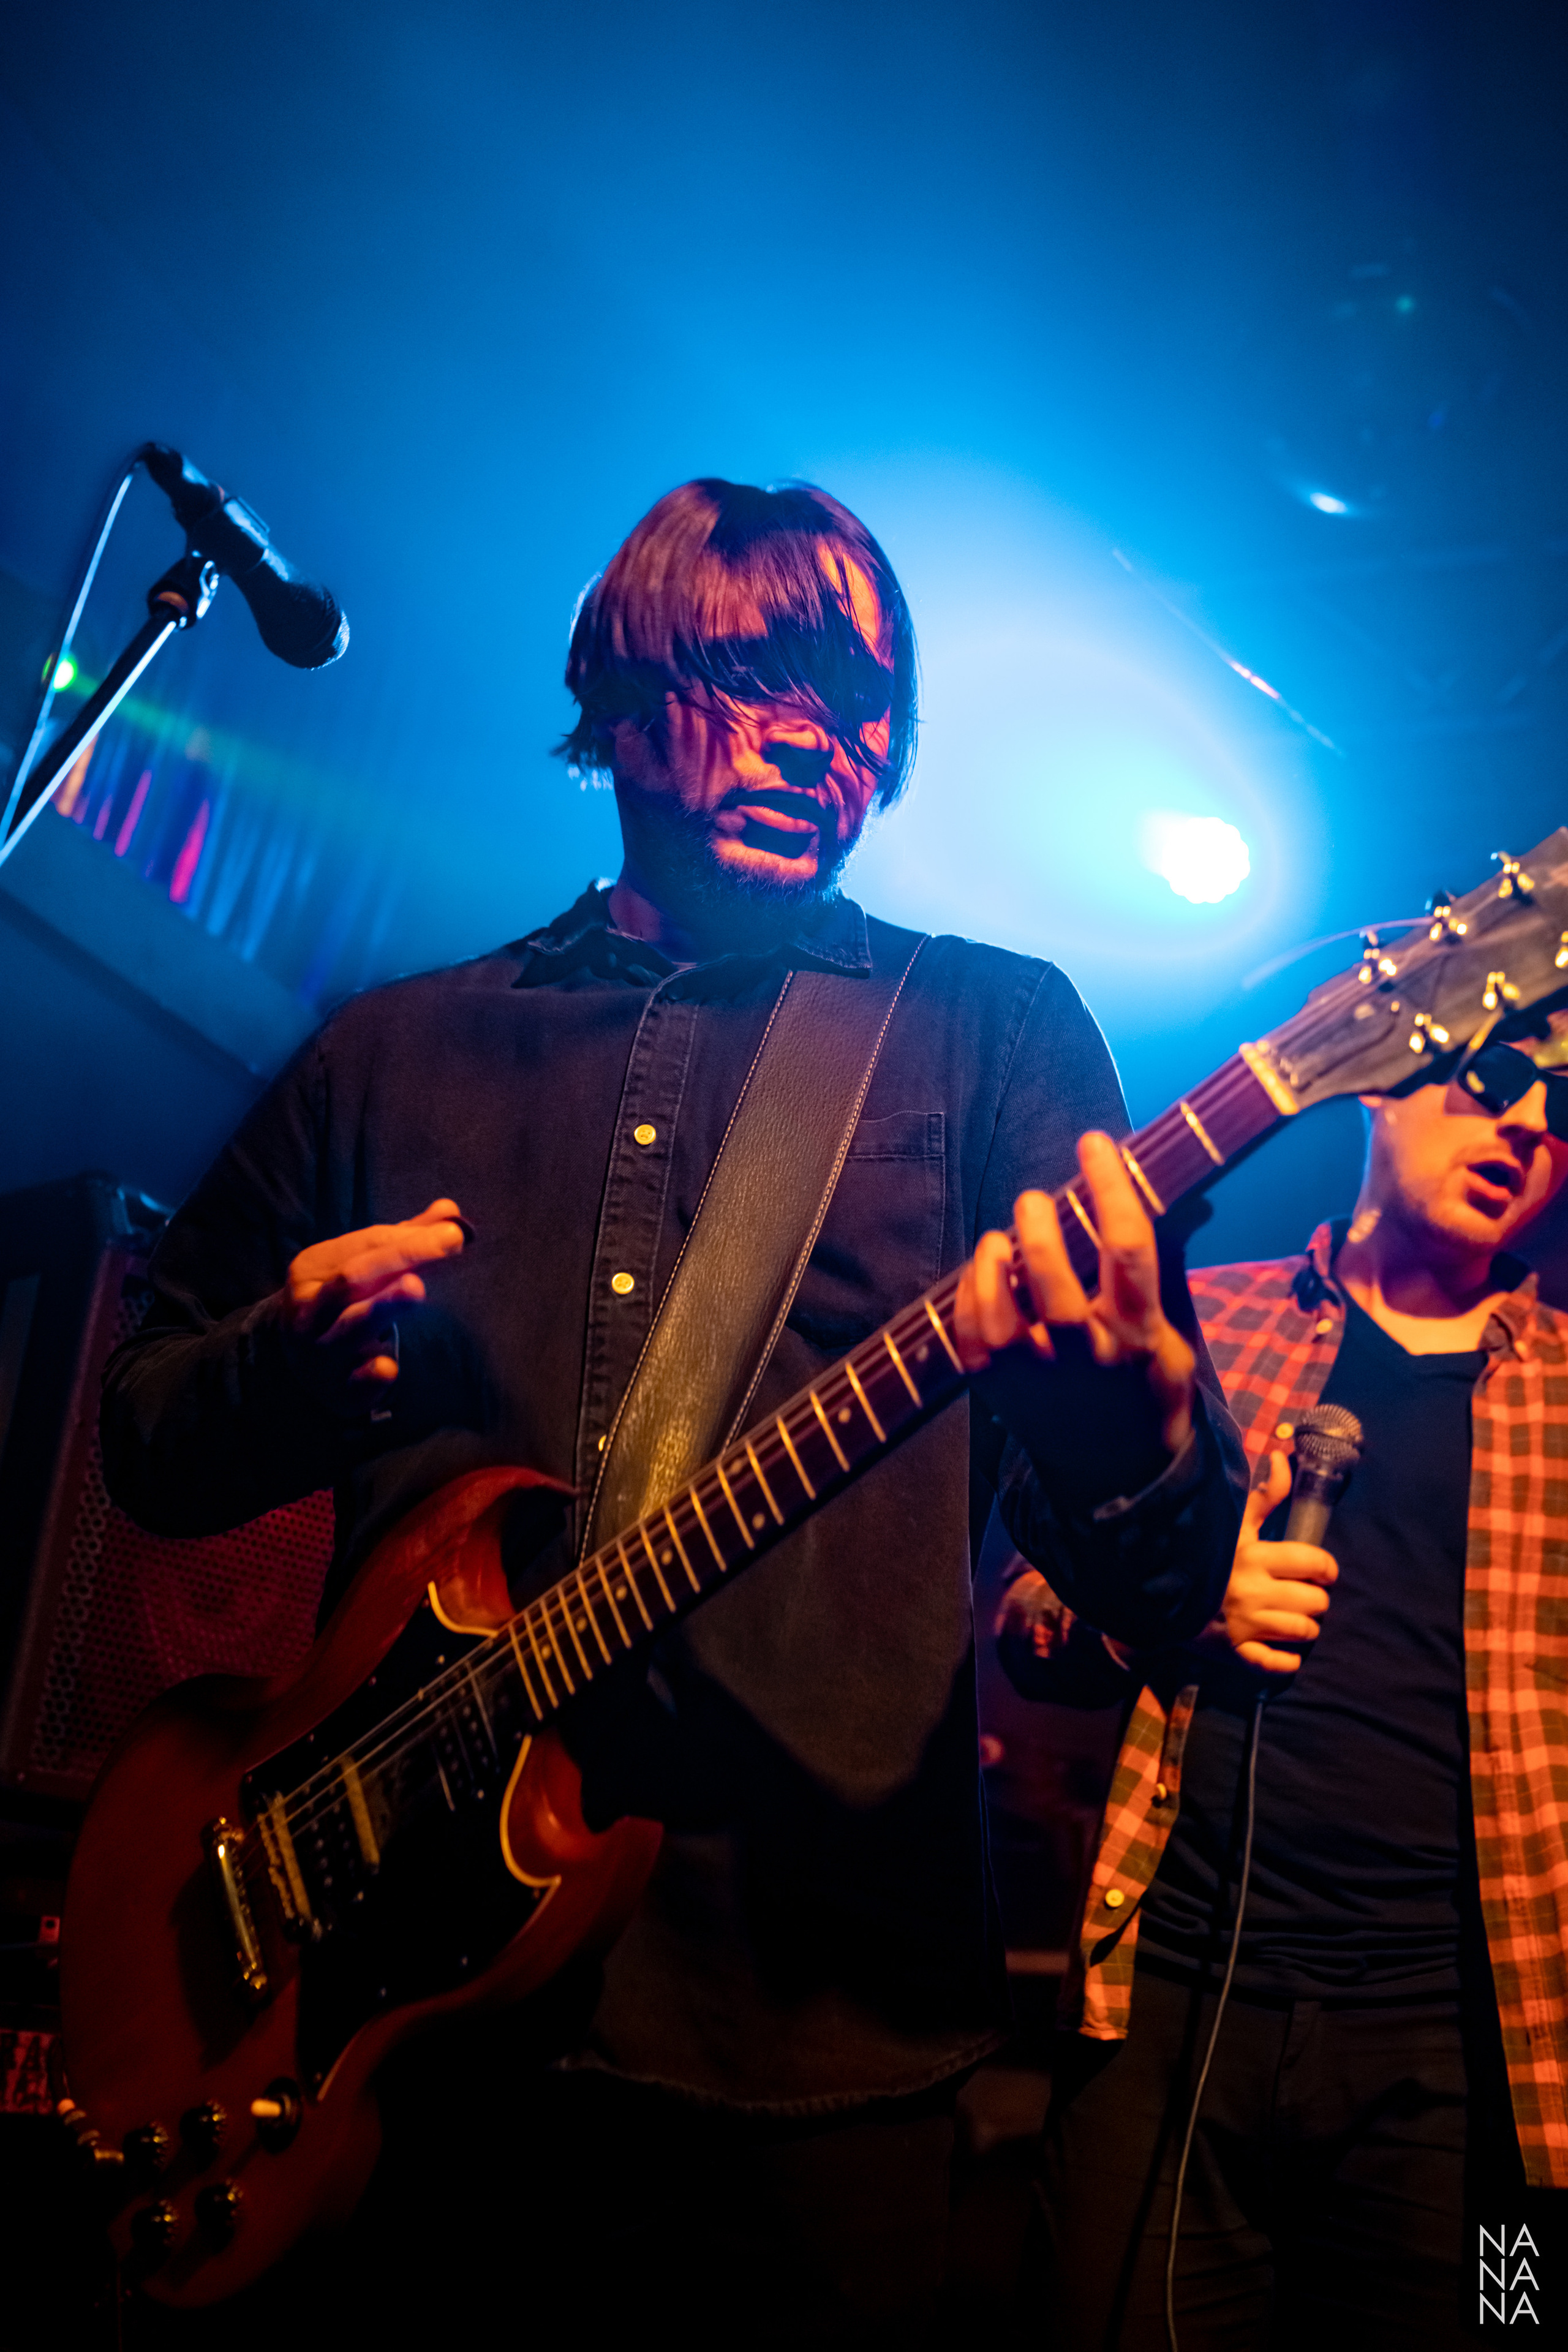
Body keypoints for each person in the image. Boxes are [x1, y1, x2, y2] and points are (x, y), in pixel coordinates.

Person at [101, 478, 1241, 2347]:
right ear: (621, 688)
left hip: (807, 2070)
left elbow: (1172, 1594)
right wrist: (276, 1378)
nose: (834, 736)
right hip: (375, 2041)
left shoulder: (992, 1036)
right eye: (769, 673)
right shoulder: (392, 1052)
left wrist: (1131, 1426)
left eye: (873, 703)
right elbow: (143, 1441)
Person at [999, 1019, 1568, 2348]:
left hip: (1482, 2063)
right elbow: (1027, 1614)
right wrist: (1173, 1608)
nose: (1530, 1123)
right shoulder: (1202, 1327)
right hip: (1166, 2014)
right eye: (1493, 1078)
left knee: (1512, 2327)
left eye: (1562, 1105)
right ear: (1383, 1081)